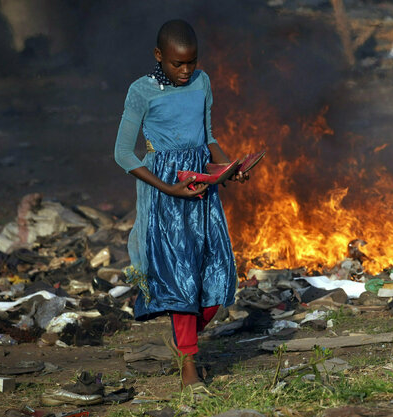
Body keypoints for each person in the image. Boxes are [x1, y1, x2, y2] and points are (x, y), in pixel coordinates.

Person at [114, 19, 247, 394]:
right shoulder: (141, 91)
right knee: (180, 276)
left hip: (203, 192)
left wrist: (228, 168)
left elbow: (208, 138)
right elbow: (123, 153)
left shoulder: (202, 82)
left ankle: (184, 338)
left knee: (216, 275)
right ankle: (189, 363)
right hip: (166, 195)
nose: (186, 71)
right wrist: (169, 189)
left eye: (192, 62)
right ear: (160, 56)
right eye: (177, 64)